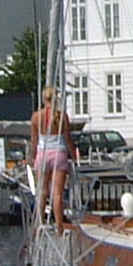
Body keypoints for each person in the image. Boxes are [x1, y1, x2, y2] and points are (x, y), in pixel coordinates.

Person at [30, 86, 76, 230]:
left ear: (44, 99)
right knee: (57, 194)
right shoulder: (62, 117)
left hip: (43, 155)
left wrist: (32, 158)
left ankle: (40, 224)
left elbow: (34, 142)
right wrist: (74, 156)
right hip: (59, 154)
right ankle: (59, 227)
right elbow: (68, 140)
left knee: (42, 191)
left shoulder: (36, 117)